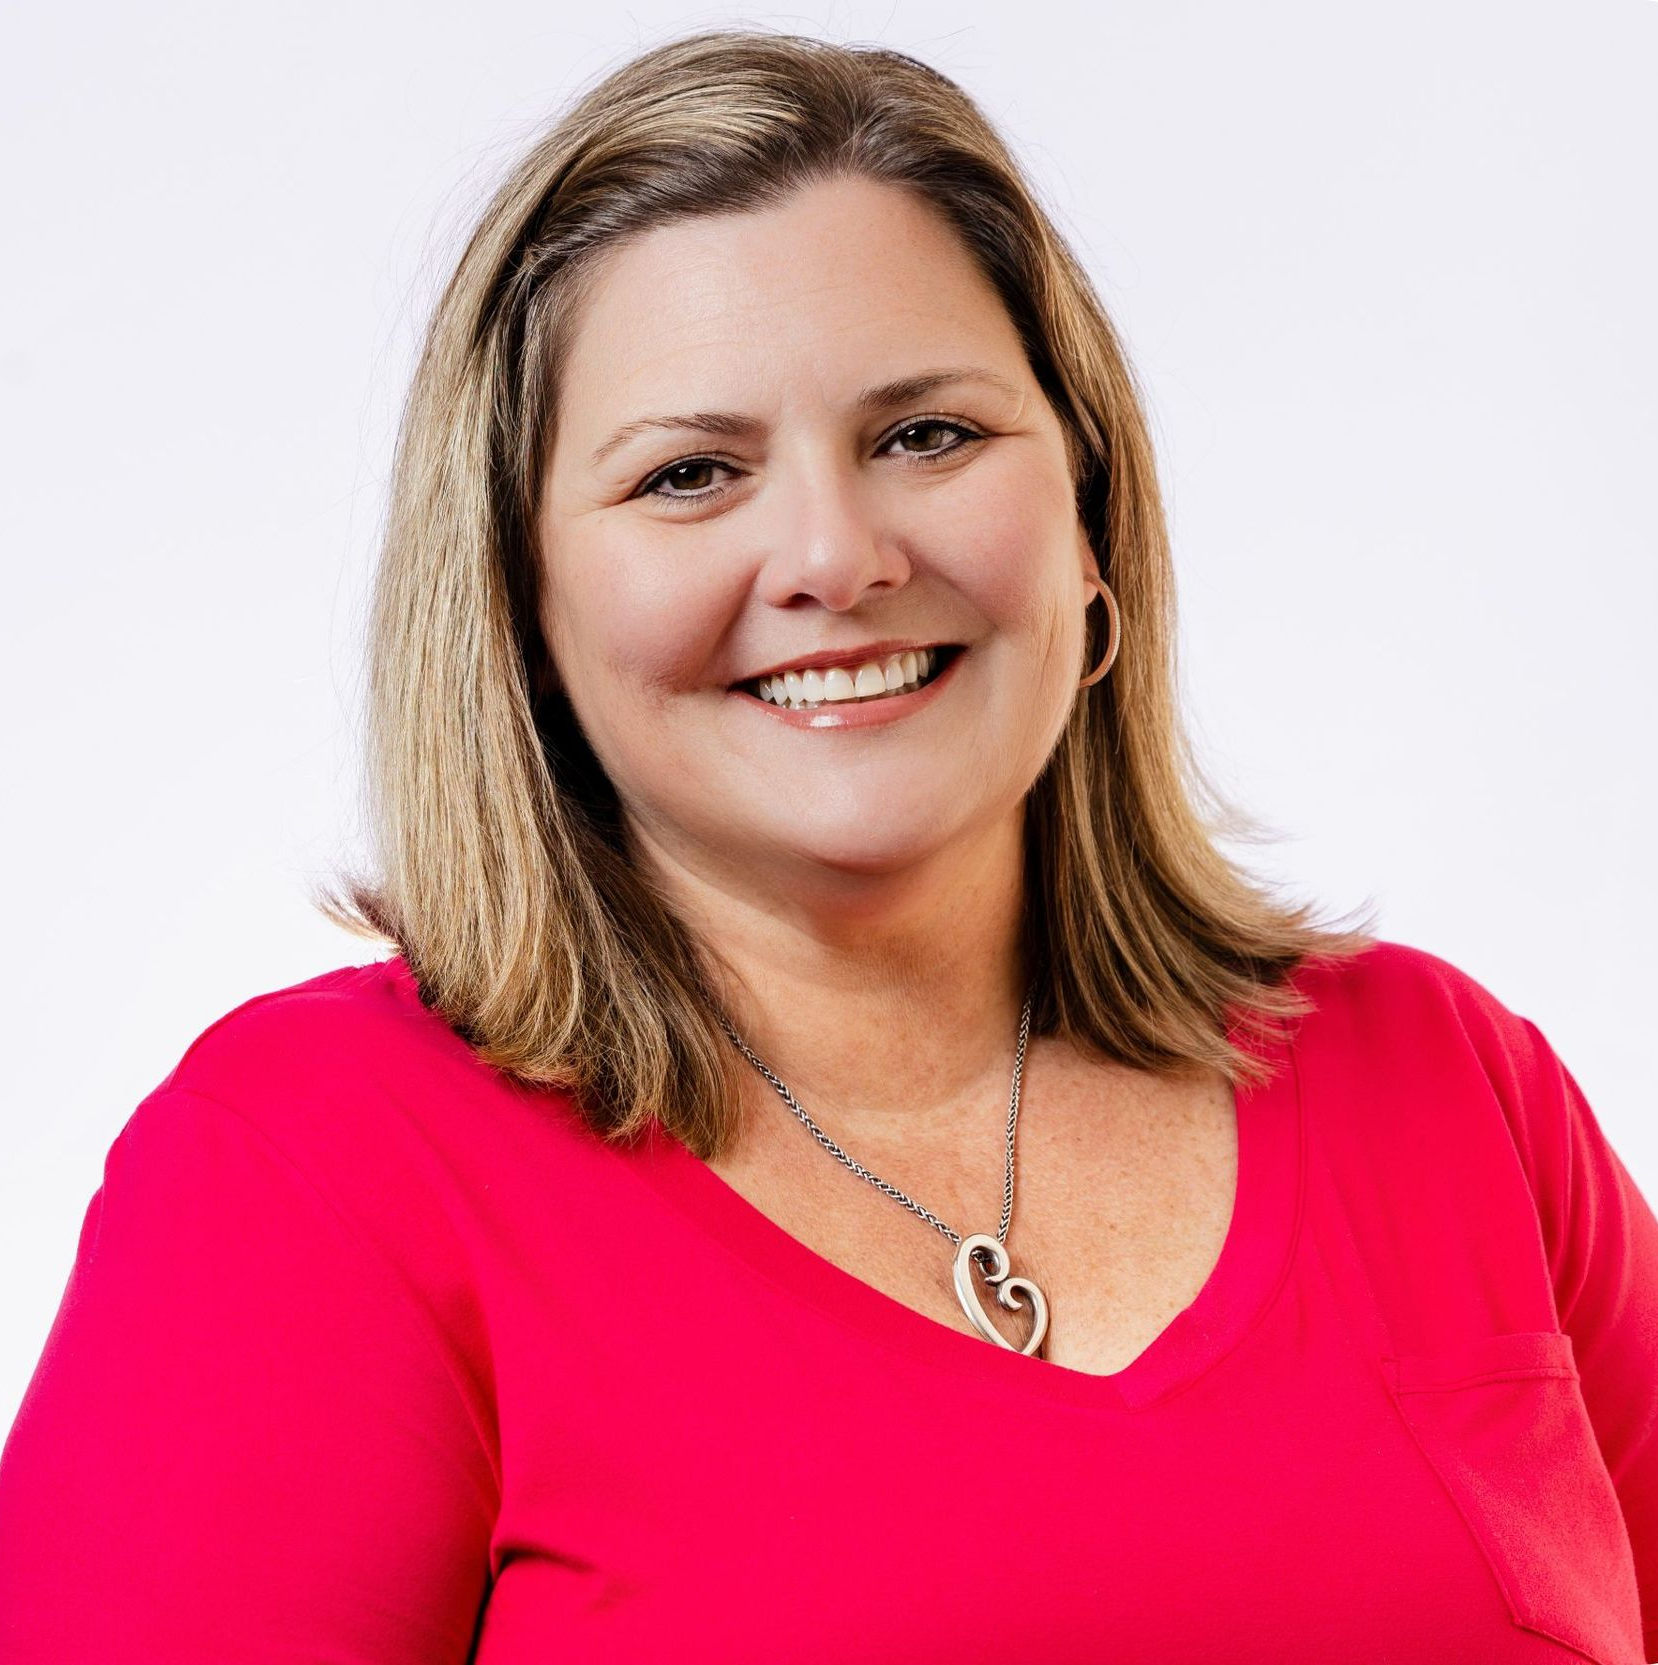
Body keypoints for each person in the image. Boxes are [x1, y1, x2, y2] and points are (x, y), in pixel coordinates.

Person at [1, 27, 1653, 1664]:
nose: (832, 555)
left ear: (1088, 520)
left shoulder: (1448, 1087)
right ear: (519, 604)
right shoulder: (312, 1174)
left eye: (924, 436)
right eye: (690, 475)